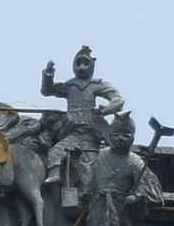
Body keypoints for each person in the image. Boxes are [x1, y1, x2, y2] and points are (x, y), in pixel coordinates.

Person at [76, 112, 163, 226]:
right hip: (99, 201)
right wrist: (78, 165)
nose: (121, 138)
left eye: (126, 135)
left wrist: (136, 196)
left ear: (133, 138)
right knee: (95, 225)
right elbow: (89, 176)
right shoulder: (100, 155)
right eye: (116, 134)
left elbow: (146, 184)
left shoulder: (135, 161)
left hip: (121, 203)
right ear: (109, 136)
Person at [41, 46, 124, 186]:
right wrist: (48, 74)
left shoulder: (96, 85)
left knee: (100, 155)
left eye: (86, 63)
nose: (82, 67)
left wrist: (105, 109)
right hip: (72, 129)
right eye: (78, 63)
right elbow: (47, 91)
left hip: (93, 129)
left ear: (92, 66)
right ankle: (54, 174)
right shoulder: (69, 86)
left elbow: (117, 100)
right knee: (56, 151)